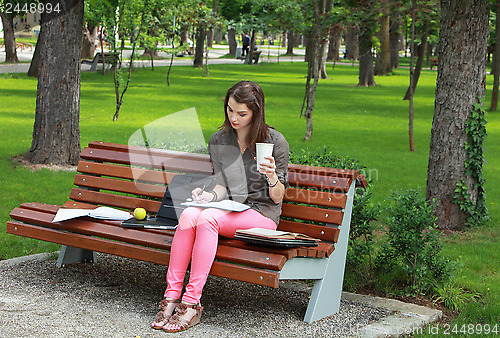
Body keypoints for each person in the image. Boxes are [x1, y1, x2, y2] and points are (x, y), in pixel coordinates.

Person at [151, 81, 289, 332]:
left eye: (242, 113)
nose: (234, 118)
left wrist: (272, 177)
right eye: (230, 110)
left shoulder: (275, 142)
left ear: (256, 113)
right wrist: (207, 197)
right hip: (230, 209)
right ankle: (171, 298)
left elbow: (278, 198)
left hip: (262, 214)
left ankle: (191, 304)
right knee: (191, 213)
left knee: (207, 219)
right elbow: (222, 185)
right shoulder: (219, 140)